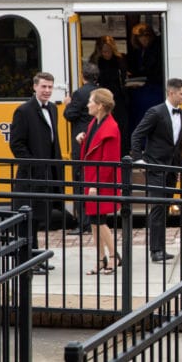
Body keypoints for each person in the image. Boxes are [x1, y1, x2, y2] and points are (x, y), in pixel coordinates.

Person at [130, 77, 182, 263]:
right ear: (171, 93)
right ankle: (156, 250)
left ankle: (161, 248)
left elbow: (179, 143)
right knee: (157, 207)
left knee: (164, 207)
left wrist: (179, 166)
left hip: (172, 167)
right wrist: (139, 159)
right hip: (155, 166)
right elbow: (137, 135)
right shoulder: (155, 112)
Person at [9, 72, 63, 269]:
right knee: (28, 219)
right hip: (30, 175)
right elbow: (16, 144)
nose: (47, 91)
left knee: (39, 218)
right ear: (35, 87)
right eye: (44, 87)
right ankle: (27, 261)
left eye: (50, 87)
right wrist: (34, 164)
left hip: (47, 174)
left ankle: (35, 259)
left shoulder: (54, 109)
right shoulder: (24, 111)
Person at [79, 88, 121, 275]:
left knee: (99, 220)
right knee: (94, 221)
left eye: (91, 101)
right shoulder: (94, 123)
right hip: (92, 179)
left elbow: (108, 162)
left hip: (100, 181)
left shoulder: (110, 127)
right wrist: (83, 138)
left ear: (100, 105)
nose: (88, 104)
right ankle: (101, 259)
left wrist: (97, 184)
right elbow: (93, 147)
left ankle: (113, 257)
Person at [63, 61, 99, 235]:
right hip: (95, 140)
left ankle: (83, 223)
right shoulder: (101, 92)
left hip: (81, 142)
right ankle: (93, 219)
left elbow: (70, 115)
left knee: (79, 181)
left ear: (83, 76)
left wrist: (68, 104)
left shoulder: (80, 93)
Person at [90, 36, 128, 150]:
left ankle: (123, 151)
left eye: (109, 51)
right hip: (102, 97)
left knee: (121, 124)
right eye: (103, 51)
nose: (106, 53)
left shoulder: (119, 59)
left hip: (119, 96)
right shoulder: (95, 61)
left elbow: (124, 76)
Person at [127, 23, 165, 133]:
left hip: (154, 88)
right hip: (140, 89)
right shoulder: (138, 51)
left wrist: (144, 79)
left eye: (147, 36)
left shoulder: (157, 49)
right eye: (140, 36)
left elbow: (157, 71)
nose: (144, 39)